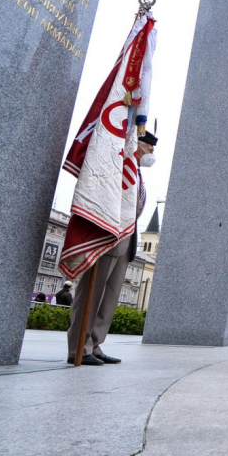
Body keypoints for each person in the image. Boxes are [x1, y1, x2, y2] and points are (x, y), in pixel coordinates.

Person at [66, 130, 157, 366]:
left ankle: (95, 344)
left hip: (126, 241)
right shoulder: (118, 166)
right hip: (109, 236)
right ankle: (79, 347)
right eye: (149, 146)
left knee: (110, 297)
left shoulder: (136, 174)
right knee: (92, 293)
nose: (152, 152)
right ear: (134, 143)